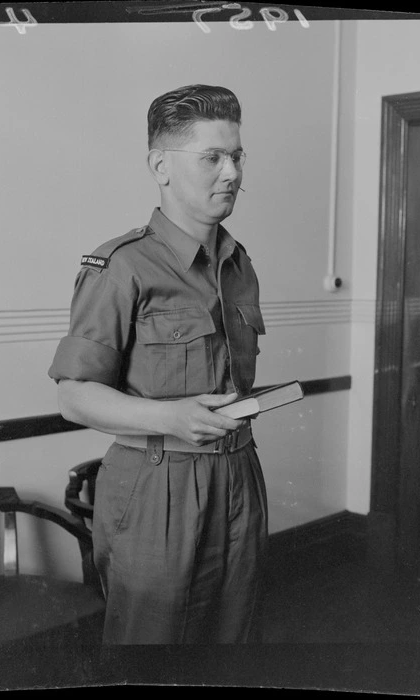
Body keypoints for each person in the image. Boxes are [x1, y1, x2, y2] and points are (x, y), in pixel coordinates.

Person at [48, 84, 268, 644]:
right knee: (150, 645)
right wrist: (171, 418)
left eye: (237, 155)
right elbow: (73, 396)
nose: (232, 173)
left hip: (238, 477)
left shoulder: (239, 264)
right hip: (157, 487)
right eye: (213, 158)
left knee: (233, 639)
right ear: (160, 166)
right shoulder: (121, 267)